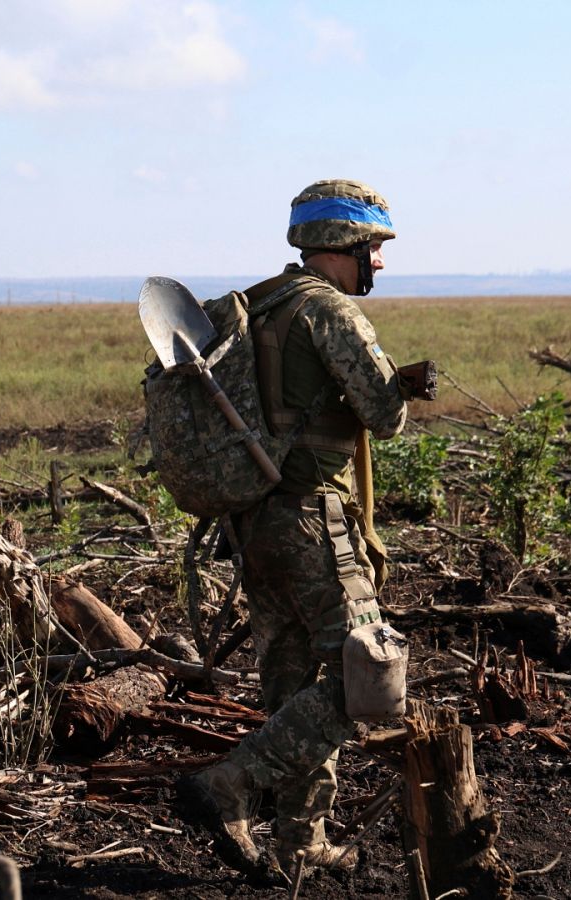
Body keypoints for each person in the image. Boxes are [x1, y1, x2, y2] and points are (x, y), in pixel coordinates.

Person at [176, 179, 422, 878]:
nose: (380, 261)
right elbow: (384, 414)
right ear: (347, 244)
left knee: (291, 687)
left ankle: (300, 845)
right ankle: (230, 783)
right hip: (314, 516)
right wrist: (399, 389)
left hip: (255, 522)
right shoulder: (329, 310)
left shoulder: (260, 305)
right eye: (376, 246)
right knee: (369, 675)